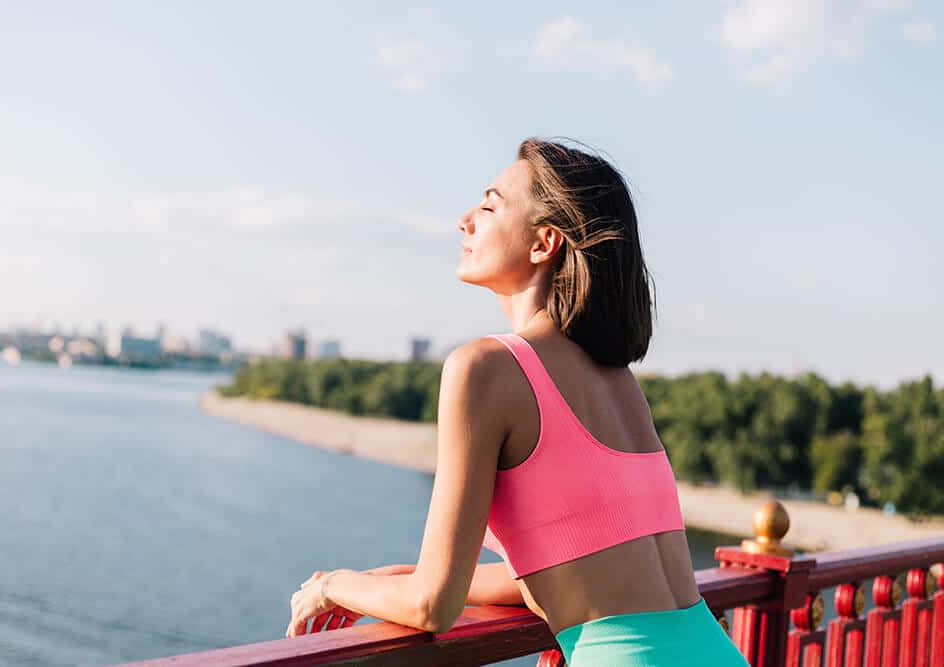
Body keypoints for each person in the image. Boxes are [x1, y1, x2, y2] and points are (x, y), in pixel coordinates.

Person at [286, 138, 749, 666]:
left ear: (543, 243)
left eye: (488, 205)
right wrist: (397, 577)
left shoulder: (484, 368)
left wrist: (334, 585)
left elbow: (432, 605)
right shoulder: (619, 381)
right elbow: (576, 563)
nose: (465, 221)